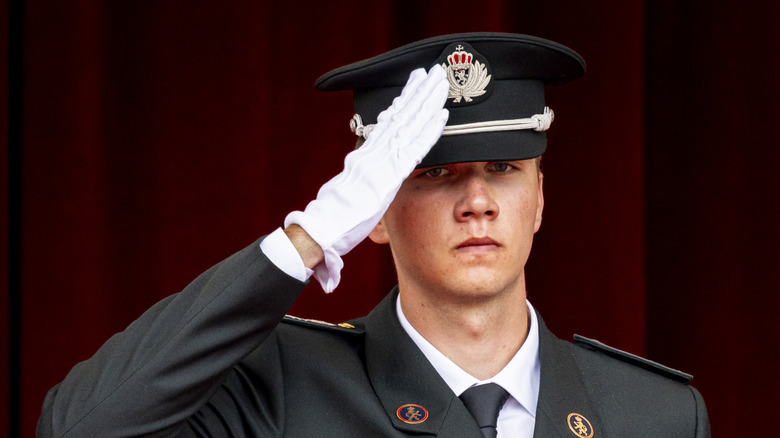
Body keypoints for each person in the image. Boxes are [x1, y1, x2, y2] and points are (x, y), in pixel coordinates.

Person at [38, 32, 710, 438]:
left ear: (539, 198)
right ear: (377, 212)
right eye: (435, 173)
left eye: (505, 169)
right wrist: (306, 238)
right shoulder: (283, 386)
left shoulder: (654, 415)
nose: (476, 201)